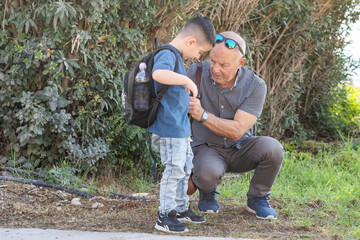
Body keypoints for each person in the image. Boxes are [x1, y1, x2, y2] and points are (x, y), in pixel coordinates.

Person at [187, 31, 284, 220]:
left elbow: (237, 130)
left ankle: (258, 198)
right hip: (206, 148)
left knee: (274, 149)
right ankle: (207, 192)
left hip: (241, 147)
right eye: (213, 61)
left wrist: (203, 115)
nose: (215, 69)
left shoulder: (256, 85)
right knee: (207, 174)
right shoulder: (197, 72)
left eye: (224, 65)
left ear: (241, 63)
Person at [149, 16, 216, 233]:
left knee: (185, 168)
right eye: (199, 52)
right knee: (174, 170)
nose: (198, 57)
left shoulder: (177, 57)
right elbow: (158, 73)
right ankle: (165, 215)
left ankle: (179, 208)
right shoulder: (168, 54)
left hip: (179, 130)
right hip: (168, 129)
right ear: (190, 42)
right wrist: (186, 80)